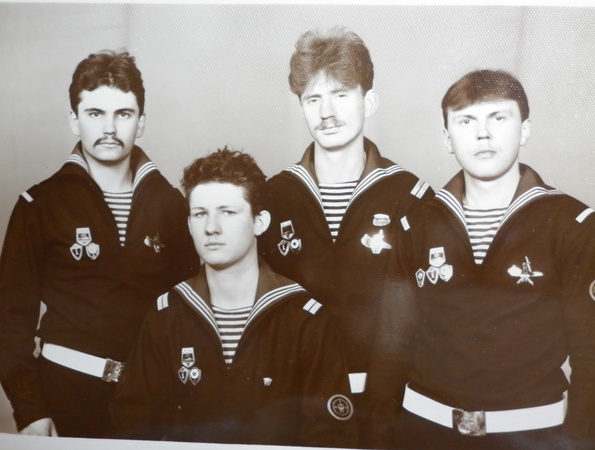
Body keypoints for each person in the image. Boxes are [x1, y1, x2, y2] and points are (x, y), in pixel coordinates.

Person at [370, 69, 595, 449]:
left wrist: (579, 441)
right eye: (466, 121)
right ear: (448, 138)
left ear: (524, 130)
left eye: (498, 118)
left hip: (532, 437)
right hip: (423, 432)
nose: (482, 134)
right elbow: (391, 345)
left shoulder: (572, 226)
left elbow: (591, 356)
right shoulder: (416, 225)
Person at [0, 50, 197, 438]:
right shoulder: (39, 205)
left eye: (123, 114)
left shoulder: (172, 205)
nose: (109, 128)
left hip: (151, 400)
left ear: (141, 123)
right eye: (94, 113)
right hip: (64, 396)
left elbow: (189, 308)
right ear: (74, 120)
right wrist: (31, 409)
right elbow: (9, 321)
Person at [109, 148, 359, 447]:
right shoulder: (167, 314)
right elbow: (132, 428)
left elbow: (330, 438)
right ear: (188, 224)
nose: (211, 228)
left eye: (227, 212)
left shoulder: (304, 318)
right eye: (200, 213)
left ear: (259, 222)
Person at [258, 27, 433, 444]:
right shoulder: (274, 196)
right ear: (300, 107)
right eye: (312, 99)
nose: (327, 112)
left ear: (368, 102)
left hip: (386, 406)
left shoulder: (410, 197)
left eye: (340, 94)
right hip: (291, 402)